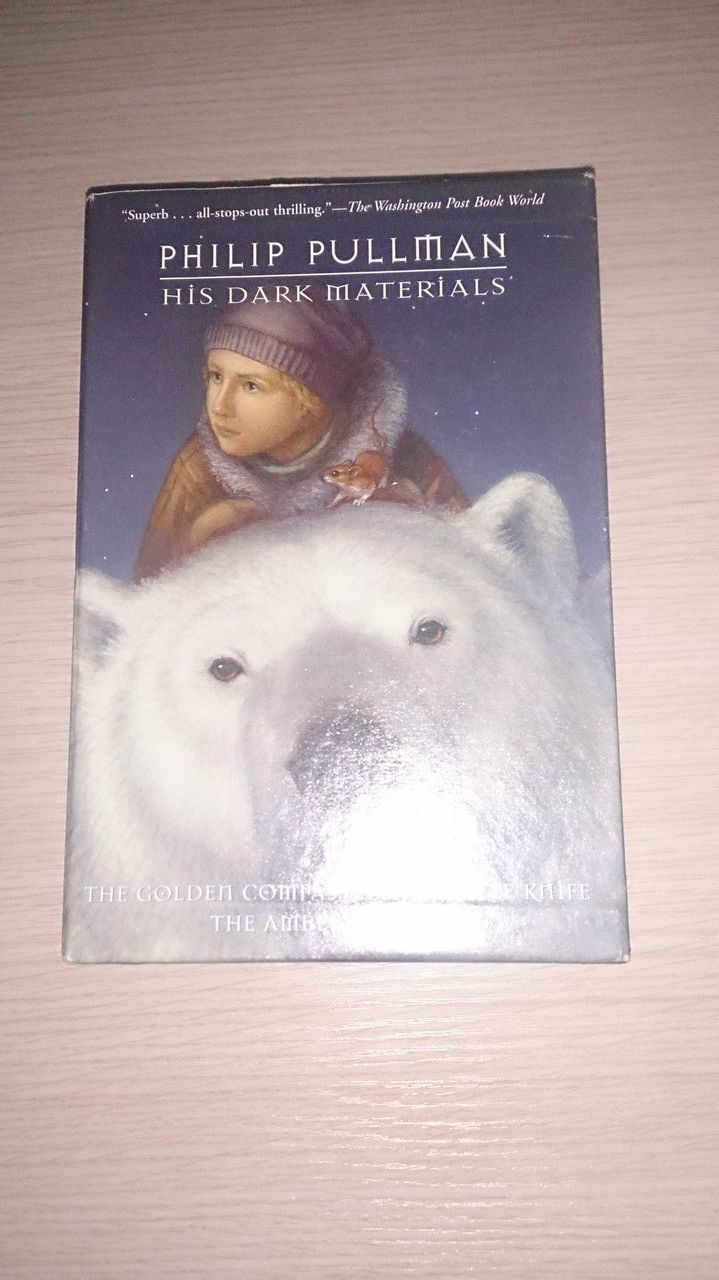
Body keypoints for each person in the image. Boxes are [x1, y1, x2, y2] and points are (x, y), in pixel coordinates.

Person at [134, 299, 467, 580]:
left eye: (251, 386)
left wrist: (415, 522)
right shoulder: (199, 468)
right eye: (216, 376)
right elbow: (146, 595)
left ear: (311, 401)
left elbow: (473, 562)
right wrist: (196, 541)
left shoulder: (401, 456)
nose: (219, 406)